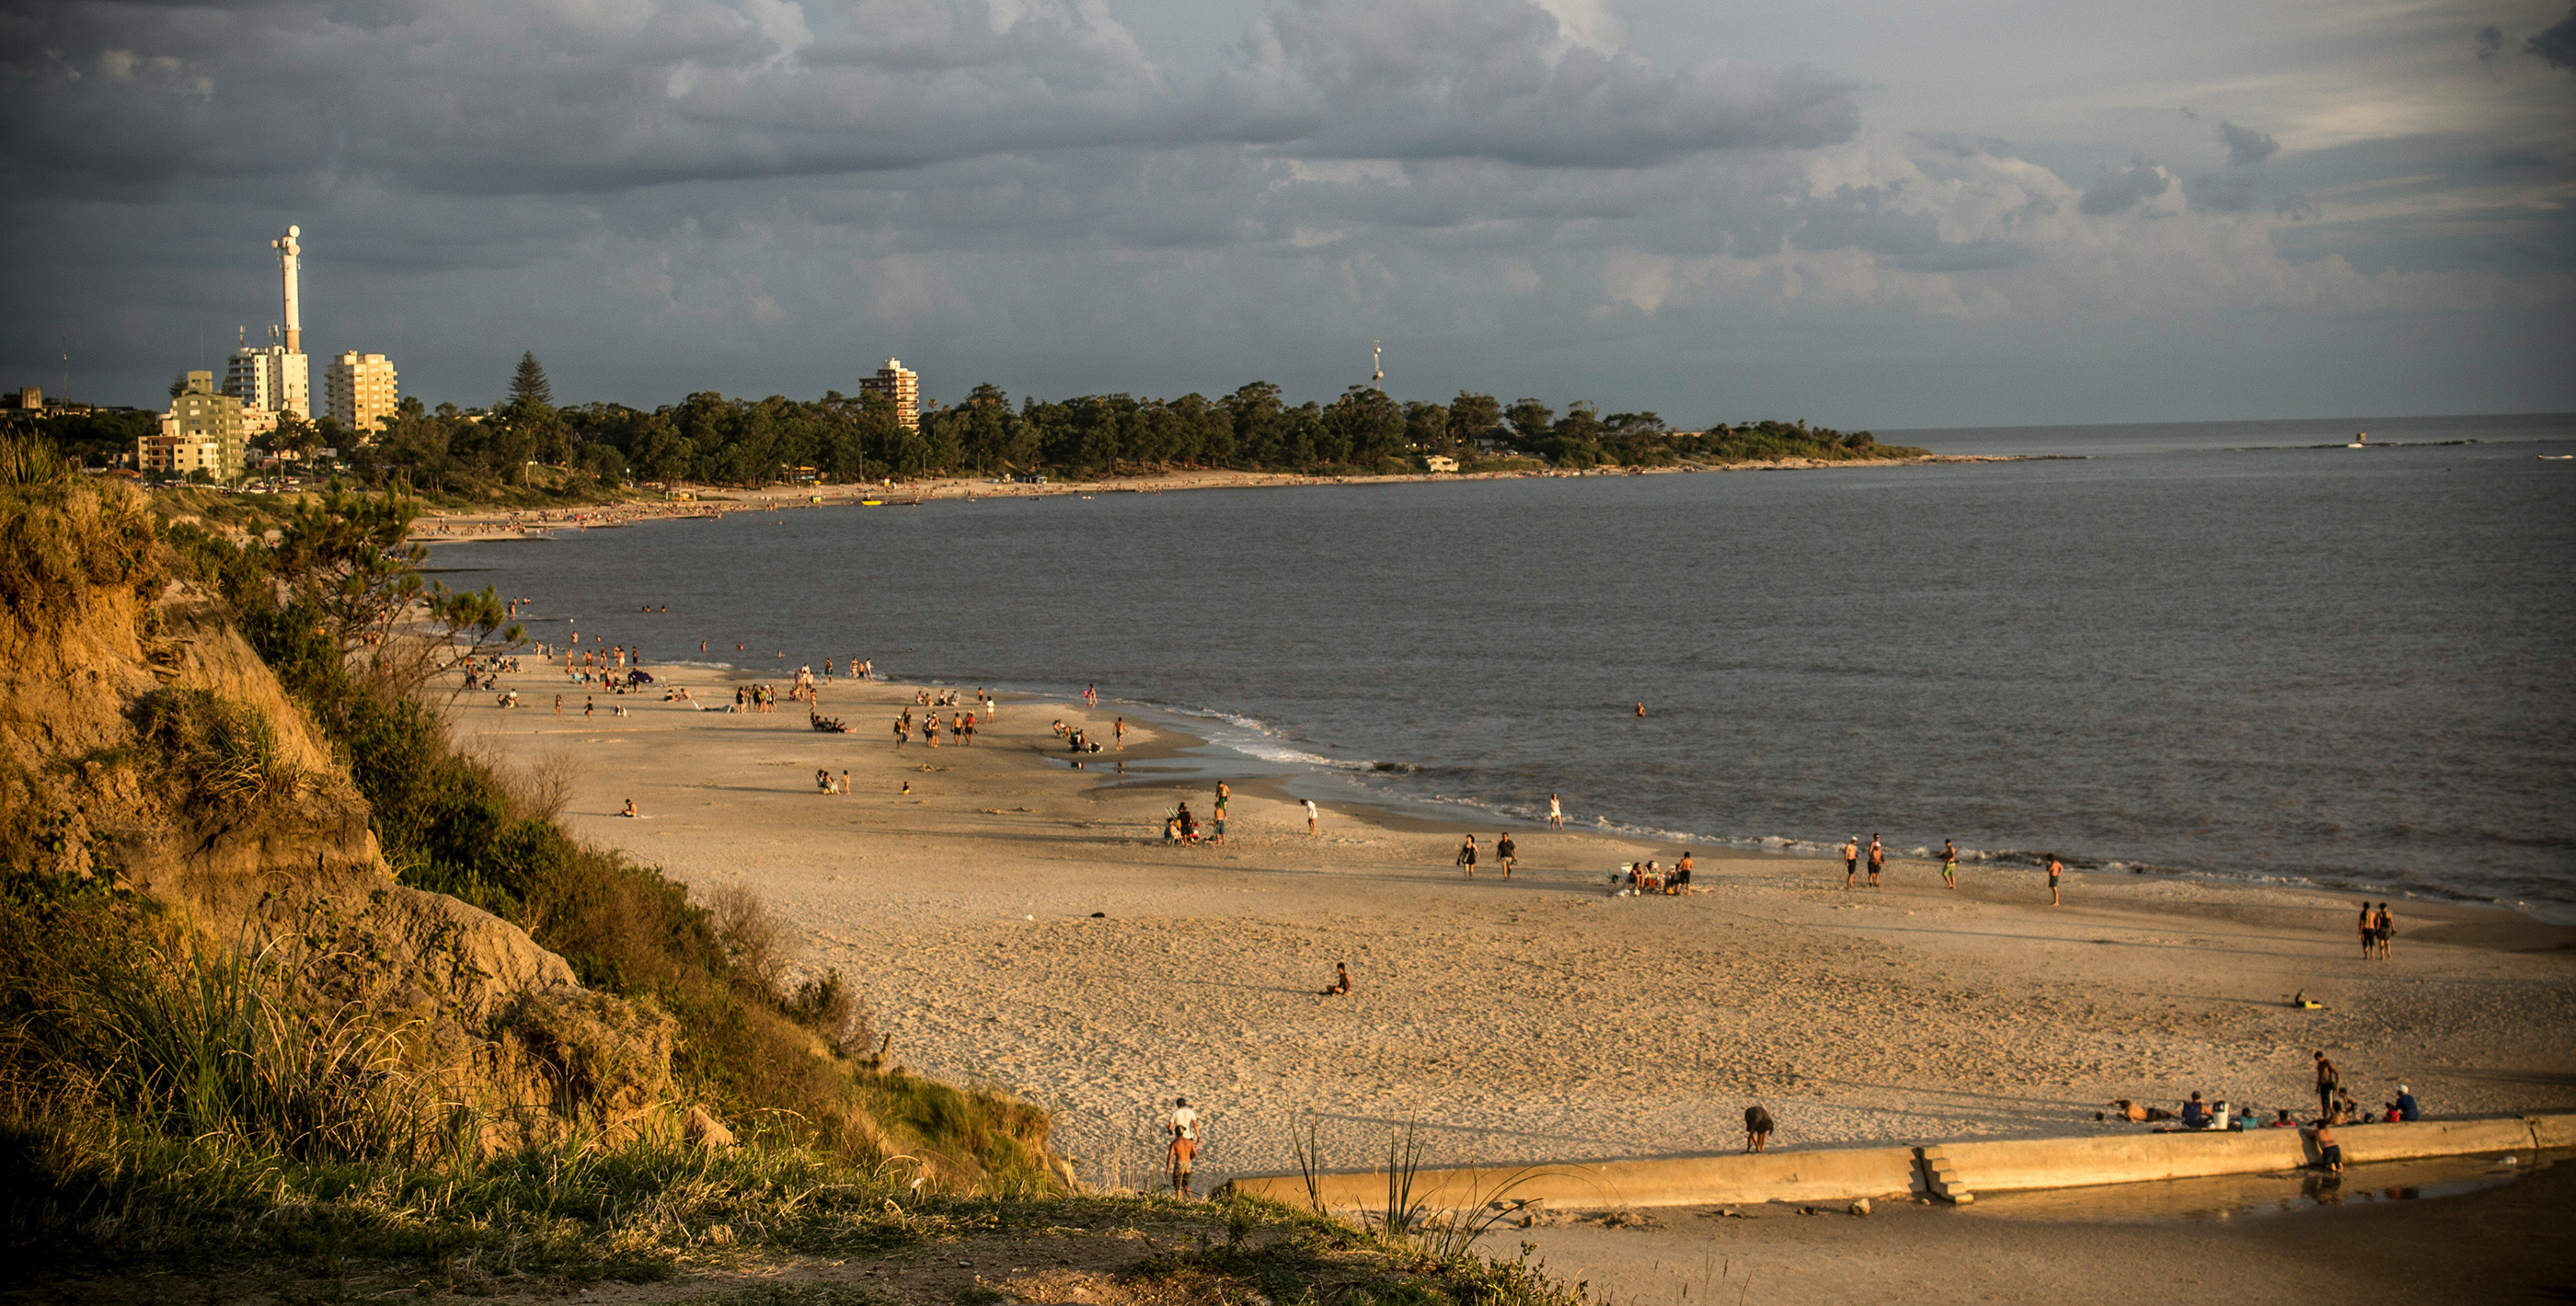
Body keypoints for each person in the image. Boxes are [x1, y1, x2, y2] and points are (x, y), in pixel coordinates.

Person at [1167, 1131, 1195, 1200]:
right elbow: (1195, 1153)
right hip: (1188, 1164)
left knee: (1177, 1184)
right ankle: (1191, 1199)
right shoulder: (1189, 1142)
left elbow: (1170, 1156)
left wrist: (1168, 1168)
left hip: (1179, 1164)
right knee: (1185, 1184)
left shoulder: (1175, 1143)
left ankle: (1178, 1199)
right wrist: (1190, 1158)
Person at [2314, 1051, 2340, 1118]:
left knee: (2329, 1103)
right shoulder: (2319, 1064)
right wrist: (2318, 1086)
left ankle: (2335, 1117)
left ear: (2321, 1057)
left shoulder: (2327, 1063)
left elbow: (2337, 1073)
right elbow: (2320, 1076)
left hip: (2329, 1084)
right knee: (2324, 1103)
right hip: (2323, 1085)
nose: (2318, 1061)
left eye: (2318, 1059)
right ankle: (2325, 1117)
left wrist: (2337, 1085)